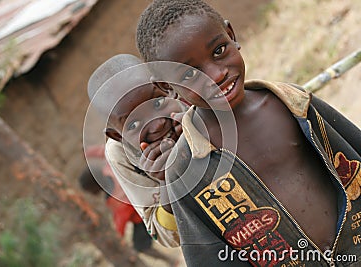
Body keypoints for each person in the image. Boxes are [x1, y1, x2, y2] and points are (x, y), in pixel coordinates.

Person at [136, 0, 361, 266]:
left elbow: (353, 154)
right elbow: (208, 259)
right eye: (190, 74)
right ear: (167, 86)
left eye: (219, 50)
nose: (217, 75)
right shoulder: (185, 170)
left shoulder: (291, 104)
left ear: (232, 36)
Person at [86, 54, 186, 248]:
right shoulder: (120, 154)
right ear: (117, 136)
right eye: (134, 124)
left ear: (166, 86)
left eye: (157, 103)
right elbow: (167, 236)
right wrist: (167, 183)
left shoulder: (189, 99)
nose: (157, 125)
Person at [79, 145, 176, 264]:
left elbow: (121, 218)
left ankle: (171, 261)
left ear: (95, 188)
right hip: (151, 199)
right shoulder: (110, 167)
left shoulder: (114, 198)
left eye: (90, 191)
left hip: (144, 216)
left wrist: (118, 237)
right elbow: (103, 151)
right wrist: (88, 153)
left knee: (141, 246)